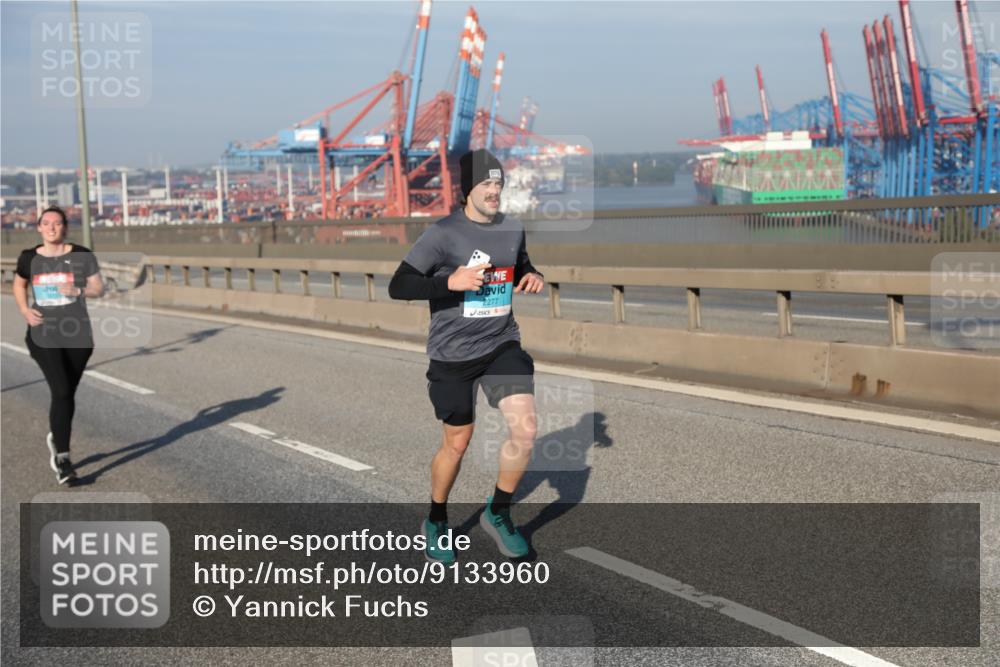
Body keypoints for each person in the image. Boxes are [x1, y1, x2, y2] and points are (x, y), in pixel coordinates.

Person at [389, 149, 545, 562]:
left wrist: (532, 275)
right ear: (467, 190)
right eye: (486, 185)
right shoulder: (442, 234)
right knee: (457, 443)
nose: (494, 191)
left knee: (525, 429)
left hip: (500, 344)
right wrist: (451, 283)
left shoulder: (512, 229)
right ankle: (436, 519)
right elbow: (399, 285)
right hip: (452, 353)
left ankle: (498, 512)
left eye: (499, 184)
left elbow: (522, 264)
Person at [14, 206, 104, 485]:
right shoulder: (29, 258)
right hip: (44, 334)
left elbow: (99, 288)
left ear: (65, 227)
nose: (52, 227)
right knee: (62, 390)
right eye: (46, 223)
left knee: (66, 395)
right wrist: (25, 311)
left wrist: (79, 290)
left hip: (78, 335)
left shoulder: (81, 255)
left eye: (57, 223)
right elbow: (19, 285)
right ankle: (63, 459)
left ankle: (57, 431)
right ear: (39, 228)